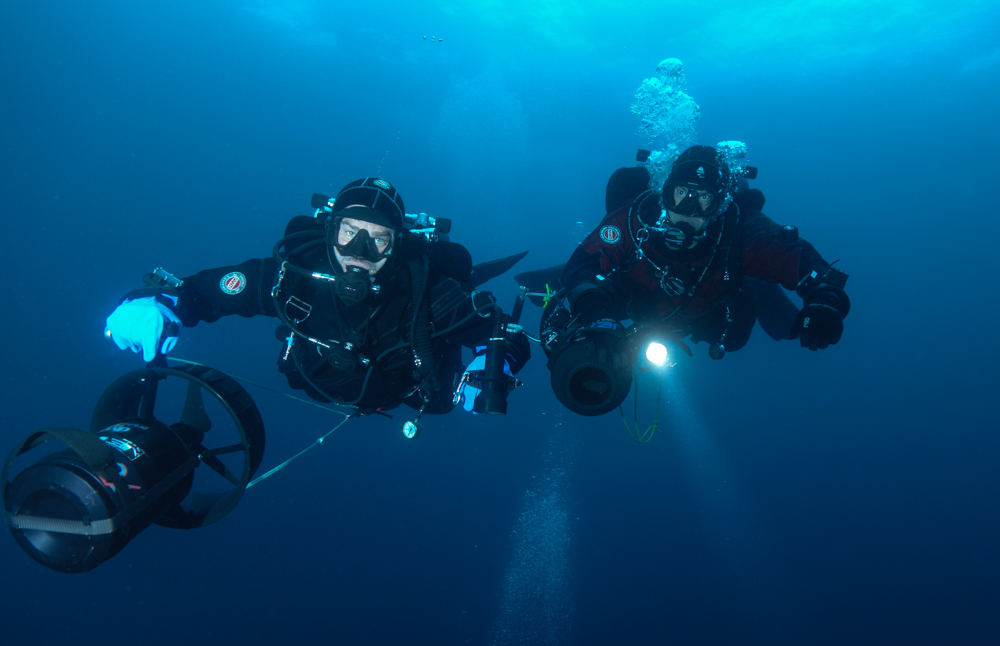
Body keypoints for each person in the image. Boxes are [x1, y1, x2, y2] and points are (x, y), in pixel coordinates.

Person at [105, 177, 530, 425]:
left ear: (397, 246)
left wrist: (493, 366)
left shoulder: (425, 293)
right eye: (350, 232)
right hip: (314, 381)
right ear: (330, 231)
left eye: (378, 239)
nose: (360, 251)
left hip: (403, 392)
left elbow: (504, 331)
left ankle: (468, 277)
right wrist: (156, 303)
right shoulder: (294, 276)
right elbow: (203, 291)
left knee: (440, 389)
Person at [535, 145, 850, 416]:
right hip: (634, 297)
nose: (688, 209)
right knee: (579, 302)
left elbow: (808, 265)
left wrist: (825, 301)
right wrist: (597, 317)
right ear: (665, 193)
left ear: (720, 204)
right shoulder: (634, 218)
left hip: (708, 309)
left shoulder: (742, 230)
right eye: (680, 194)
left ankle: (758, 282)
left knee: (748, 335)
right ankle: (608, 284)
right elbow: (582, 265)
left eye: (703, 199)